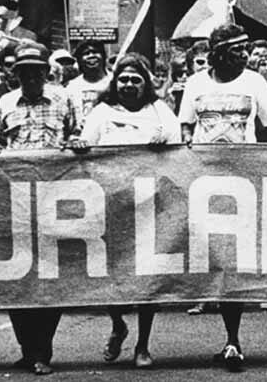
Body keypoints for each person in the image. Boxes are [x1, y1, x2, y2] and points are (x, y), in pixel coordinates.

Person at [179, 23, 267, 372]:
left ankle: (232, 339)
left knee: (233, 260)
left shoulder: (255, 82)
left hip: (243, 181)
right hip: (203, 180)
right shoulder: (196, 84)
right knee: (211, 257)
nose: (245, 55)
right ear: (220, 52)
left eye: (245, 50)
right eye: (238, 49)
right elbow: (185, 128)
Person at [74, 54, 180, 368]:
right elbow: (85, 142)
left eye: (135, 79)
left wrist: (166, 139)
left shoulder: (159, 110)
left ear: (145, 83)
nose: (129, 85)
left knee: (147, 278)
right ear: (114, 83)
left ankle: (143, 346)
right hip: (111, 206)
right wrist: (80, 145)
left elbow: (179, 145)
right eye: (123, 79)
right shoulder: (103, 112)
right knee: (114, 275)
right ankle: (118, 324)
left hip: (149, 206)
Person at [0, 42, 79, 375]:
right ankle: (28, 348)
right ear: (16, 74)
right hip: (15, 202)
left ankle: (42, 348)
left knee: (50, 279)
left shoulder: (64, 99)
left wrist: (76, 144)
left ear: (46, 72)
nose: (30, 76)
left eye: (36, 70)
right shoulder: (3, 103)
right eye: (23, 70)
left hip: (54, 199)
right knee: (17, 278)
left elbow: (78, 135)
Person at [65, 41, 110, 117]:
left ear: (103, 56)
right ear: (80, 60)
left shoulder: (114, 81)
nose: (91, 56)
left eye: (95, 52)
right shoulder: (72, 86)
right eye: (86, 53)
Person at [0, 41, 20, 112]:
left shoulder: (29, 92)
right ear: (2, 67)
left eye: (16, 65)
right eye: (8, 65)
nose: (13, 69)